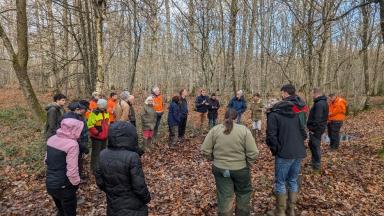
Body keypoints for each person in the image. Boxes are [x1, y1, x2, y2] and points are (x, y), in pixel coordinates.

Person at [201, 109, 259, 216]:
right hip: (241, 169)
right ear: (236, 118)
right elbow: (254, 153)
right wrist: (248, 164)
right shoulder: (244, 131)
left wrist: (213, 159)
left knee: (224, 196)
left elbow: (205, 150)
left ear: (224, 117)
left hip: (221, 169)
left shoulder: (215, 130)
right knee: (243, 193)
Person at [95, 121, 151, 216]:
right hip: (133, 206)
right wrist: (147, 198)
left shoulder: (103, 154)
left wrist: (111, 191)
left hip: (113, 204)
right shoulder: (132, 157)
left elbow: (100, 181)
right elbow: (139, 185)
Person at [266, 92, 307, 216]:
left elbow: (271, 136)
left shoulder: (273, 115)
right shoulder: (294, 115)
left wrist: (277, 150)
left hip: (285, 153)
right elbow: (303, 133)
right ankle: (291, 210)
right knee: (293, 180)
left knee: (281, 181)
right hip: (298, 151)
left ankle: (281, 211)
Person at [45, 118, 84, 216]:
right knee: (70, 212)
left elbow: (46, 160)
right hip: (64, 185)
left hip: (50, 182)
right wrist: (76, 183)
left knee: (61, 210)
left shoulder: (51, 139)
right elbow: (72, 169)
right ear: (75, 129)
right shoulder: (72, 145)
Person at [63, 101, 90, 180]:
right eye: (84, 109)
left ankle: (78, 175)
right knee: (75, 161)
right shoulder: (72, 118)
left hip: (78, 143)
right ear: (77, 109)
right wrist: (84, 146)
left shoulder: (80, 117)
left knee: (78, 160)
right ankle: (75, 177)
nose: (85, 111)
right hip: (75, 143)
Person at [307, 88, 328, 171]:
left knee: (315, 146)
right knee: (311, 145)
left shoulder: (320, 104)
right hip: (318, 128)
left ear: (316, 94)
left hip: (316, 129)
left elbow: (317, 118)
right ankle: (314, 162)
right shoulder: (321, 102)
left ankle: (316, 165)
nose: (311, 96)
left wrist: (313, 129)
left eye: (312, 94)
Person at [87, 99, 110, 172]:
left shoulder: (106, 112)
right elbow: (90, 125)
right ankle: (94, 169)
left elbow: (107, 123)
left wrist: (108, 131)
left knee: (103, 153)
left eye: (105, 106)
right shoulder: (94, 113)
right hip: (96, 137)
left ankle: (101, 167)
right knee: (96, 154)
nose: (104, 108)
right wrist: (96, 133)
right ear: (99, 106)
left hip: (105, 136)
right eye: (102, 107)